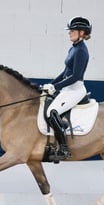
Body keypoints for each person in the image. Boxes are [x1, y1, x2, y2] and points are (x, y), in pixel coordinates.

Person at [42, 16, 92, 161]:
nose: (69, 33)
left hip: (75, 89)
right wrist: (50, 84)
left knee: (52, 112)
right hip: (67, 89)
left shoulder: (81, 51)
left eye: (72, 30)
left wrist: (56, 87)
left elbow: (76, 76)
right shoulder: (73, 48)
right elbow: (65, 72)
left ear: (82, 32)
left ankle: (64, 149)